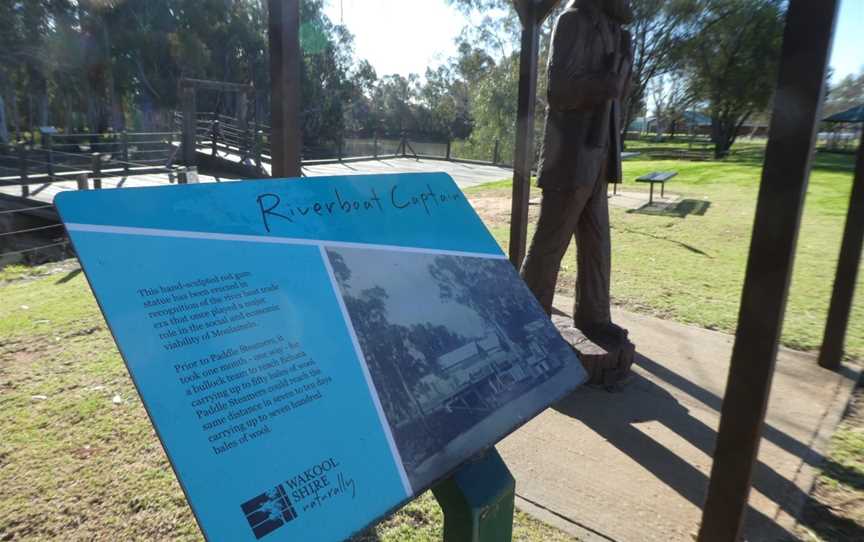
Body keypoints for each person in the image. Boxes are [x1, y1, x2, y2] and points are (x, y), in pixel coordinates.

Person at [520, 0, 633, 334]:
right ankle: (528, 321)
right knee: (549, 243)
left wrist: (624, 72)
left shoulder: (614, 30)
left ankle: (594, 318)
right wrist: (604, 84)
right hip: (569, 156)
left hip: (598, 154)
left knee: (597, 242)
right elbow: (558, 92)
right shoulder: (572, 21)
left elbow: (617, 95)